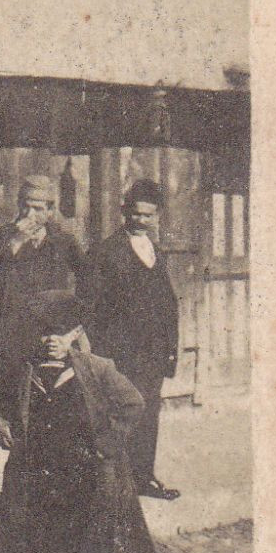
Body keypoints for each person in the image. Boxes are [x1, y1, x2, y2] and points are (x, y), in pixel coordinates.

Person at [0, 290, 156, 553]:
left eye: (61, 332)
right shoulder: (21, 370)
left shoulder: (97, 368)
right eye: (45, 332)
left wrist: (107, 445)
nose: (52, 340)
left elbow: (133, 404)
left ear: (76, 332)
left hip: (77, 479)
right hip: (31, 476)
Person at [83, 179, 183, 501]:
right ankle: (116, 481)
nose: (141, 220)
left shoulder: (157, 251)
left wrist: (169, 352)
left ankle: (143, 476)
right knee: (121, 412)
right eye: (136, 214)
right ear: (125, 212)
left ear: (157, 217)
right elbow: (91, 307)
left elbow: (168, 304)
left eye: (149, 215)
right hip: (120, 352)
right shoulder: (106, 251)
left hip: (151, 353)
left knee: (150, 411)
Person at [0, 174, 88, 396]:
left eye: (37, 208)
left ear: (50, 211)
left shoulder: (64, 242)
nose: (29, 215)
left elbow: (90, 283)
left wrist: (72, 327)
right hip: (8, 339)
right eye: (24, 207)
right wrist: (15, 243)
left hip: (49, 339)